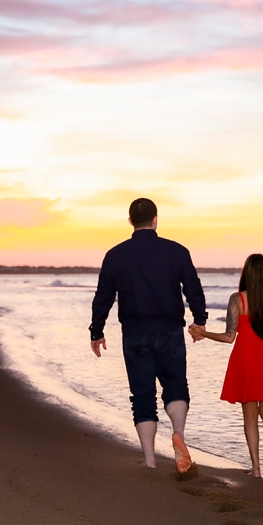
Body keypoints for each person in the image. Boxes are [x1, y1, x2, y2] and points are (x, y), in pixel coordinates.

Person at [90, 198, 207, 475]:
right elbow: (193, 287)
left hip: (134, 334)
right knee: (176, 387)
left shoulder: (115, 255)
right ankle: (178, 433)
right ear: (156, 218)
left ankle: (151, 460)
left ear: (130, 221)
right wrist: (199, 320)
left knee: (142, 396)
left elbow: (103, 297)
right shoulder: (176, 251)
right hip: (170, 332)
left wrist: (97, 330)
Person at [190, 253, 263, 483]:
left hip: (247, 357)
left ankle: (256, 468)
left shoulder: (238, 299)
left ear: (246, 274)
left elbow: (228, 337)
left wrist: (203, 333)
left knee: (250, 416)